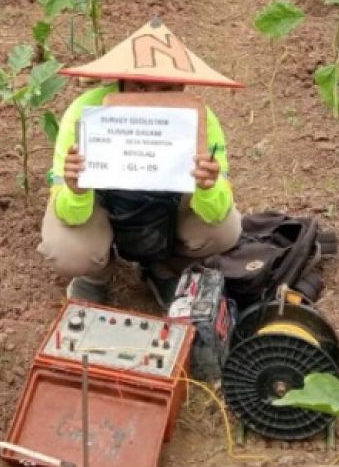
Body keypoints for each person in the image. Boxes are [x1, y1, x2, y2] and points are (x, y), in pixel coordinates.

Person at [38, 18, 242, 306]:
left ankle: (164, 268)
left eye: (166, 89)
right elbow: (68, 212)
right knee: (68, 251)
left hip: (167, 208)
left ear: (182, 86)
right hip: (102, 205)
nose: (151, 98)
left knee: (224, 230)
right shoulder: (85, 112)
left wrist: (208, 186)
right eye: (140, 86)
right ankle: (95, 276)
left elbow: (218, 211)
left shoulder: (200, 119)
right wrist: (76, 189)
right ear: (121, 80)